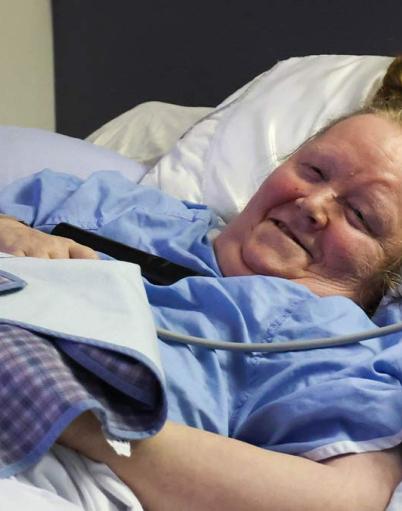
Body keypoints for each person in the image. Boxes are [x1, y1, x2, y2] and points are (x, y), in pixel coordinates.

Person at [1, 59, 402, 510]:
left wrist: (72, 414)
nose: (313, 203)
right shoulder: (117, 205)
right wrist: (9, 231)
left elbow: (344, 500)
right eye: (313, 171)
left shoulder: (327, 339)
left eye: (361, 215)